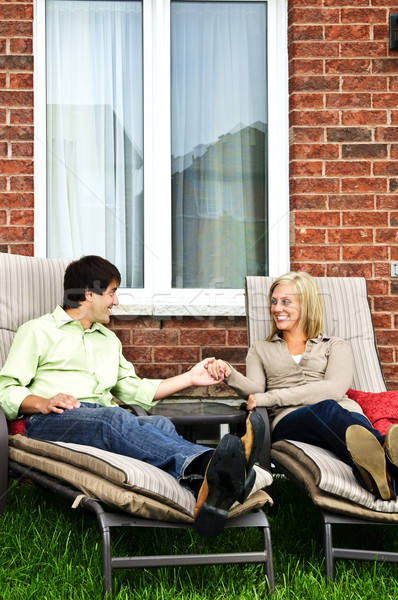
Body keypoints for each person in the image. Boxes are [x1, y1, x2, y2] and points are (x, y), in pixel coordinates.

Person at [0, 255, 265, 537]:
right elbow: (6, 390)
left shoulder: (108, 341)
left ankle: (207, 491)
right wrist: (43, 402)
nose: (117, 301)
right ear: (89, 294)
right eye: (112, 292)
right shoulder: (37, 331)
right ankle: (212, 463)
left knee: (159, 425)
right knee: (112, 418)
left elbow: (135, 390)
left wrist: (190, 378)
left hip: (100, 419)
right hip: (49, 420)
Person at [207, 271, 398, 501]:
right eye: (274, 302)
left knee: (335, 410)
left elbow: (334, 389)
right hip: (291, 420)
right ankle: (384, 452)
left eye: (286, 302)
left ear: (306, 305)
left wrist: (270, 397)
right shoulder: (261, 349)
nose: (277, 308)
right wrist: (229, 373)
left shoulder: (336, 346)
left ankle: (379, 476)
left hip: (344, 415)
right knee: (327, 409)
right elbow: (255, 389)